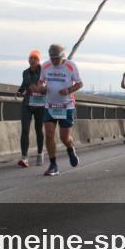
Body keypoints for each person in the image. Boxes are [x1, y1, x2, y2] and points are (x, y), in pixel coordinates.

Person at [38, 44, 83, 177]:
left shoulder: (70, 66)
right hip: (50, 105)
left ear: (62, 56)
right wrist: (41, 87)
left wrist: (68, 90)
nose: (53, 60)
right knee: (49, 134)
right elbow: (41, 81)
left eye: (56, 58)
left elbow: (80, 84)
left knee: (64, 138)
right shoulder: (46, 65)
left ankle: (70, 148)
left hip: (66, 106)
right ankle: (53, 165)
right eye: (51, 57)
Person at [14, 50, 46, 166]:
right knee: (25, 130)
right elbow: (24, 85)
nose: (32, 60)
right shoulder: (25, 72)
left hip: (40, 105)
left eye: (35, 59)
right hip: (27, 104)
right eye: (31, 58)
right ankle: (24, 158)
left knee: (38, 130)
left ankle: (40, 153)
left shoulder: (44, 72)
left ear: (38, 61)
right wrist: (19, 91)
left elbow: (47, 86)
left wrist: (42, 88)